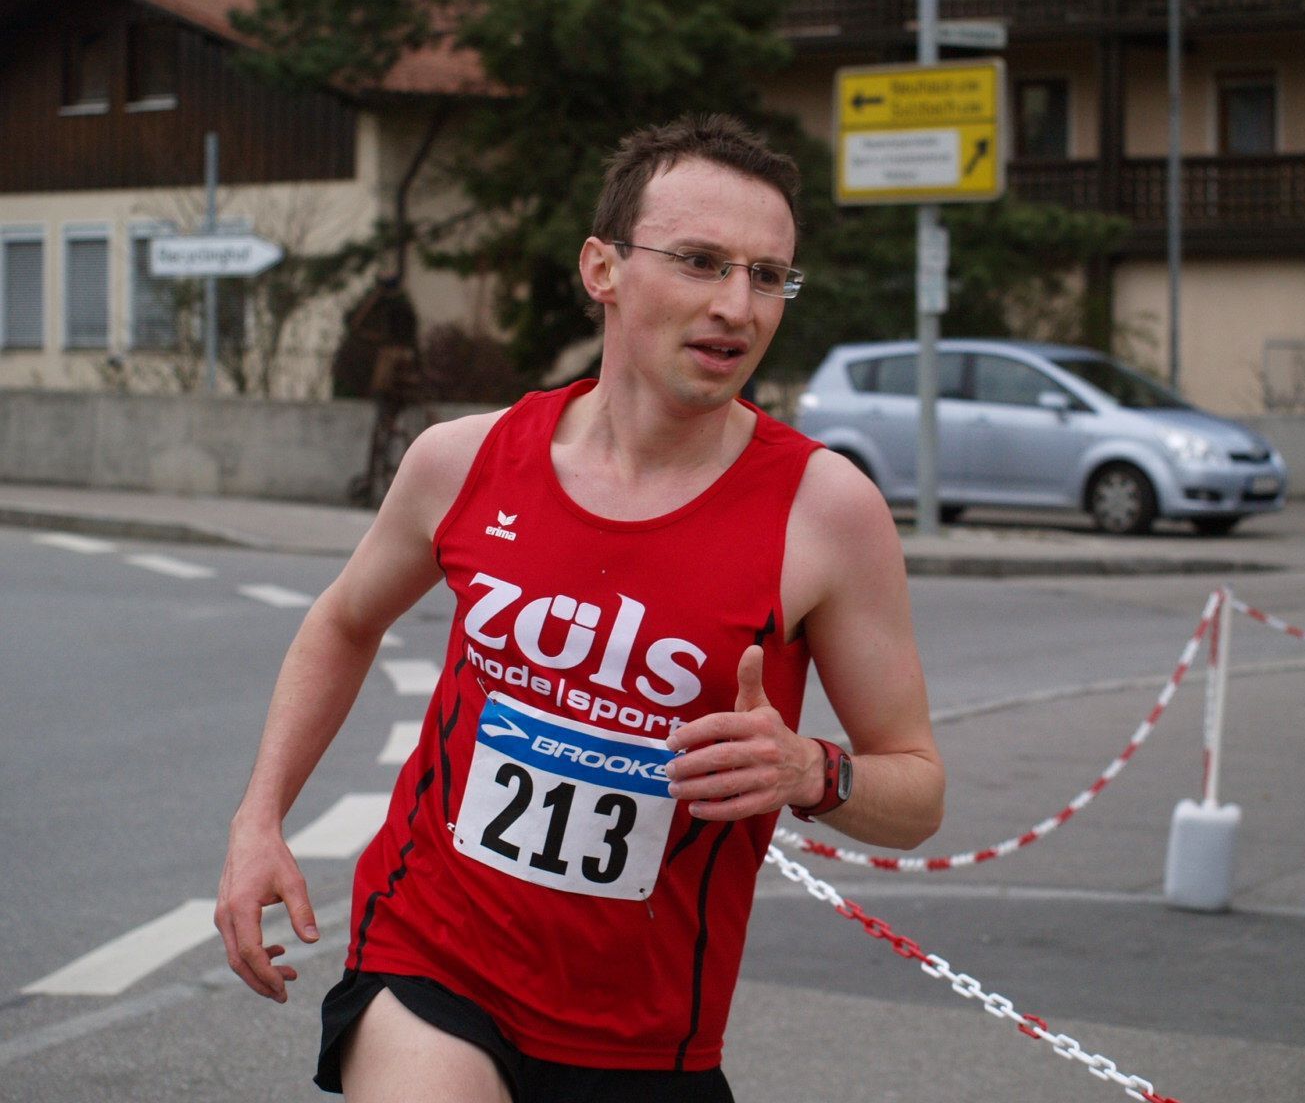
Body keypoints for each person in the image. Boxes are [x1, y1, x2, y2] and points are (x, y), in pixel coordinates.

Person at [214, 113, 945, 1102]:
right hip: (433, 953)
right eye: (699, 261)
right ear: (603, 269)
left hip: (646, 1032)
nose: (736, 305)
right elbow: (345, 621)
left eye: (767, 276)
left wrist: (810, 770)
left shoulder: (826, 513)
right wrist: (259, 820)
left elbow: (917, 793)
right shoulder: (463, 461)